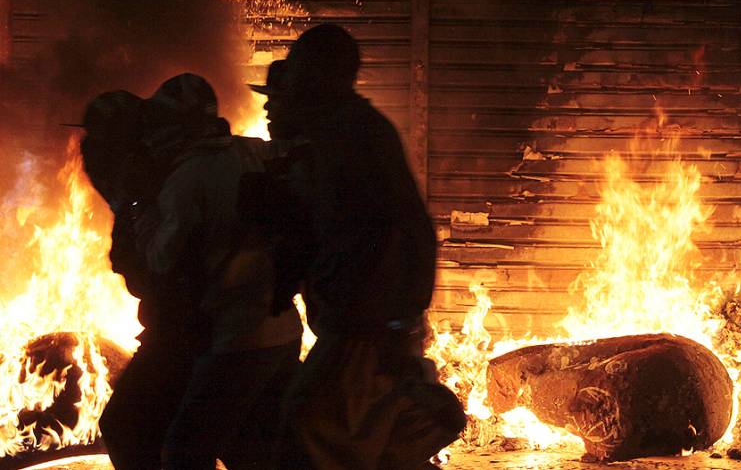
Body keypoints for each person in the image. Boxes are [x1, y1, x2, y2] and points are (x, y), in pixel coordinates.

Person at [251, 24, 466, 470]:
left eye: (303, 70)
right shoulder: (334, 133)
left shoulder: (356, 134)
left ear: (323, 74)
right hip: (355, 322)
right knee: (355, 441)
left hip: (362, 325)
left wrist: (398, 321)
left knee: (306, 433)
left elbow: (406, 229)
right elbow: (324, 227)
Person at [131, 73, 304, 469]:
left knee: (183, 453)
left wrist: (136, 209)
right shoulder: (250, 152)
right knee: (255, 451)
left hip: (237, 339)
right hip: (283, 332)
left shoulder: (187, 178)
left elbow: (159, 260)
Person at [78, 90, 207, 470]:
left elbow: (150, 271)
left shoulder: (167, 188)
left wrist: (129, 206)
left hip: (190, 333)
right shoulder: (162, 182)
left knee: (126, 427)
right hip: (189, 330)